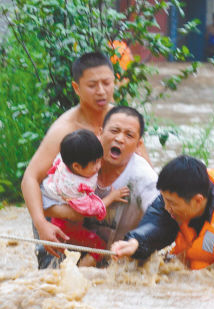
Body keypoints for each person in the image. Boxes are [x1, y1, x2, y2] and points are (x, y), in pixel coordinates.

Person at [21, 51, 152, 266]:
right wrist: (41, 224)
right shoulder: (65, 129)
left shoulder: (122, 122)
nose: (101, 91)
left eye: (107, 83)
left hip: (101, 212)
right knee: (54, 279)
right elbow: (30, 179)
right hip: (59, 216)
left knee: (108, 275)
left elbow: (146, 179)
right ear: (76, 88)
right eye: (92, 85)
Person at [29, 106, 158, 268]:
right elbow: (37, 192)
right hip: (71, 235)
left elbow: (162, 219)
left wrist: (138, 241)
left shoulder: (145, 179)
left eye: (129, 135)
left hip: (120, 253)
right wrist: (62, 214)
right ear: (100, 132)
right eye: (115, 130)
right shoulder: (76, 155)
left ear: (138, 145)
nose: (119, 139)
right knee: (51, 275)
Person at [111, 155, 214, 270]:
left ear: (198, 200)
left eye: (172, 203)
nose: (166, 207)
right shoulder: (174, 195)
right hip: (198, 260)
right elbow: (157, 224)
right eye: (164, 199)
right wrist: (136, 242)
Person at [41, 129, 129, 264]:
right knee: (99, 247)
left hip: (61, 223)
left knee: (73, 256)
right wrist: (112, 197)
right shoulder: (74, 188)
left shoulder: (67, 160)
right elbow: (92, 209)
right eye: (95, 164)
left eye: (99, 160)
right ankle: (82, 273)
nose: (99, 166)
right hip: (67, 229)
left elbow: (87, 148)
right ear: (76, 166)